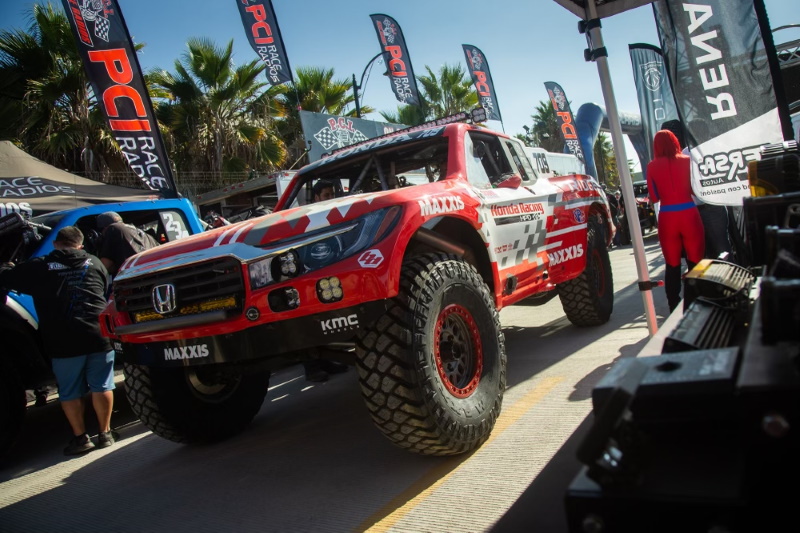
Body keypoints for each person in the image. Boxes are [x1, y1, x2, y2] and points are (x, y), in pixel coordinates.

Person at [0, 226, 117, 455]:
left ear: (56, 244)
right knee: (103, 385)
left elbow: (6, 278)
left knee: (70, 391)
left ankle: (81, 439)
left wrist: (7, 266)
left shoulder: (40, 266)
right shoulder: (95, 262)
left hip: (63, 339)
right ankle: (105, 434)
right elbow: (103, 288)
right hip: (98, 334)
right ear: (80, 245)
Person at [646, 130, 705, 312]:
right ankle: (695, 301)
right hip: (689, 213)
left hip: (667, 216)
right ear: (675, 142)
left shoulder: (651, 166)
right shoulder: (688, 161)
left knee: (672, 264)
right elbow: (697, 190)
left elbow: (654, 197)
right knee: (695, 261)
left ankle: (674, 304)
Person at [302, 180, 348, 382]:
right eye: (326, 195)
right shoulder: (307, 218)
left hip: (328, 272)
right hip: (308, 275)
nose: (330, 198)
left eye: (331, 194)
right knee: (309, 323)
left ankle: (326, 361)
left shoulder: (335, 214)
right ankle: (311, 368)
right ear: (316, 197)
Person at [96, 211, 159, 276]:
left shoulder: (113, 228)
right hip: (154, 275)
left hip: (136, 278)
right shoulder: (144, 234)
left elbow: (105, 265)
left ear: (104, 228)